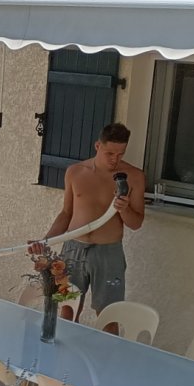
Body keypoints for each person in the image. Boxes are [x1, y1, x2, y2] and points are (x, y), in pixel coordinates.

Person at [36, 122, 145, 316]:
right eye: (110, 153)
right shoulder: (75, 172)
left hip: (108, 254)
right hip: (73, 249)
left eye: (120, 154)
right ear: (97, 146)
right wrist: (45, 241)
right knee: (67, 309)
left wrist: (124, 209)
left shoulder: (134, 177)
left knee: (109, 315)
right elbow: (66, 214)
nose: (115, 159)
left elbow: (136, 223)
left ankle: (107, 347)